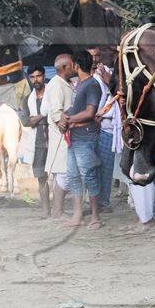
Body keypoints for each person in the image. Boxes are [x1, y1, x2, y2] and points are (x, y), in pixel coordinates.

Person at [59, 50, 102, 230]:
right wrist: (64, 116)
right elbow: (75, 109)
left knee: (89, 175)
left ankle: (95, 216)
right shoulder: (80, 84)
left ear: (76, 65)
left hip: (86, 137)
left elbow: (90, 112)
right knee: (74, 176)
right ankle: (78, 214)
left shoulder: (92, 84)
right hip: (76, 137)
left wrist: (68, 119)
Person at [44, 54, 76, 218]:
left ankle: (59, 209)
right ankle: (57, 211)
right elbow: (56, 113)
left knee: (66, 173)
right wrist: (64, 127)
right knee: (62, 174)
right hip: (62, 135)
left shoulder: (67, 83)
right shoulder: (56, 85)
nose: (74, 67)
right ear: (65, 68)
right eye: (72, 65)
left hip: (68, 134)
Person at [20, 66, 51, 216]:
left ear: (44, 76)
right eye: (32, 77)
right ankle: (46, 210)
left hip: (54, 139)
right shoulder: (28, 99)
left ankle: (59, 208)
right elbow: (26, 122)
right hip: (37, 143)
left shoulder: (52, 94)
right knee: (41, 177)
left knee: (60, 176)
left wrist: (36, 119)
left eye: (38, 76)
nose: (35, 80)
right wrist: (43, 115)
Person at [92, 47, 119, 212]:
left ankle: (103, 202)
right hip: (97, 125)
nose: (95, 60)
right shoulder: (94, 77)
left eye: (97, 56)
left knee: (105, 167)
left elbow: (105, 99)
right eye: (92, 57)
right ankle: (99, 201)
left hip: (106, 127)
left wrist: (98, 114)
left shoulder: (107, 74)